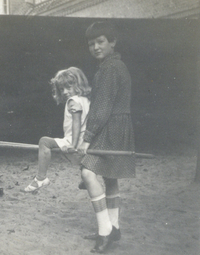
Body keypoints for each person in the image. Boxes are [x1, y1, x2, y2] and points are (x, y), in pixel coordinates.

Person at [77, 21, 136, 253]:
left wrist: (87, 138)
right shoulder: (110, 66)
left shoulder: (111, 69)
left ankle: (105, 231)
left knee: (88, 172)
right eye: (91, 44)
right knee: (110, 177)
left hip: (111, 126)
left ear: (112, 42)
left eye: (100, 41)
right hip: (116, 125)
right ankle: (114, 226)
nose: (95, 47)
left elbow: (101, 108)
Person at [24, 67, 91, 192]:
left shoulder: (73, 101)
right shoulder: (86, 100)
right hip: (86, 141)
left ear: (78, 85)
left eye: (68, 87)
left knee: (44, 142)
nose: (65, 92)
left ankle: (41, 178)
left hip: (75, 140)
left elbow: (76, 123)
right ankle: (85, 178)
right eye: (62, 89)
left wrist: (73, 144)